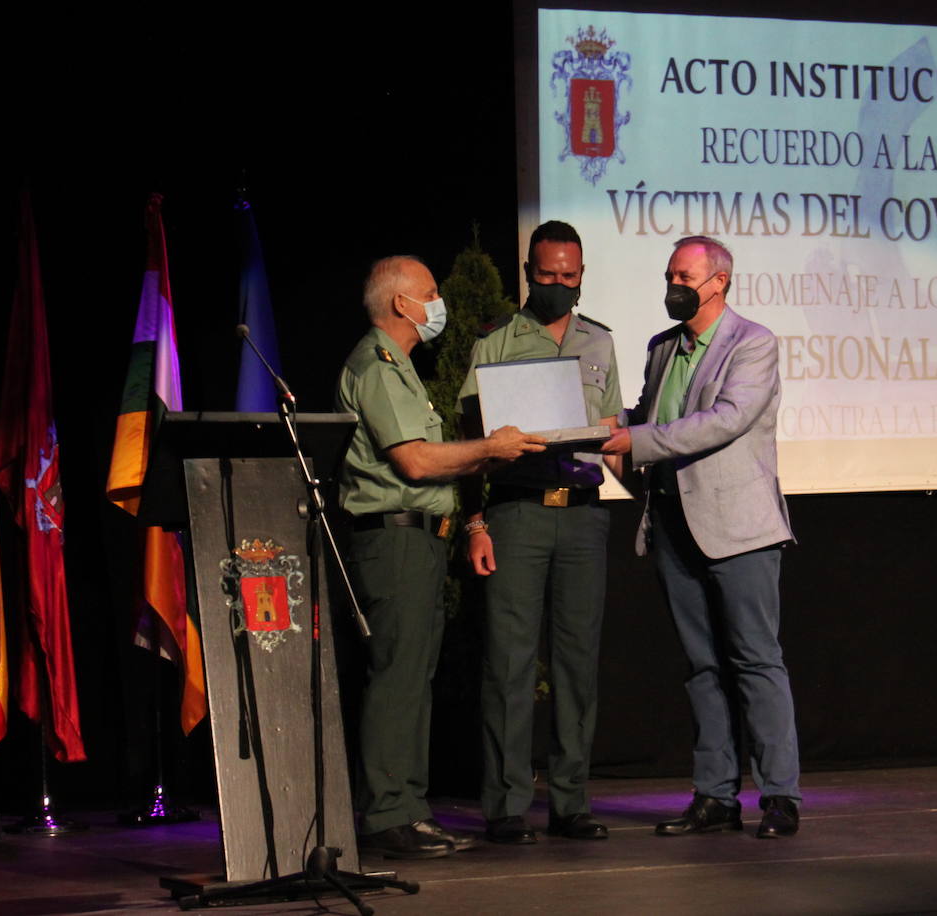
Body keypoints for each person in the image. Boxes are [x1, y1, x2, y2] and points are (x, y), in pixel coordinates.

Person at [338, 255, 546, 860]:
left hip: (419, 538)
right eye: (430, 294)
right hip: (393, 538)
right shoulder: (377, 365)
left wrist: (497, 454)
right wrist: (489, 446)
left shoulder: (400, 366)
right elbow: (416, 462)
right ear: (402, 304)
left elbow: (435, 458)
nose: (437, 304)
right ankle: (385, 814)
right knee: (398, 677)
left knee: (414, 679)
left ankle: (408, 808)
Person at [602, 235, 802, 838]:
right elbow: (649, 415)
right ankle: (715, 794)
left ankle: (779, 797)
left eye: (684, 275)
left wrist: (636, 440)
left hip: (739, 529)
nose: (674, 286)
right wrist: (601, 423)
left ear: (718, 281)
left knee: (755, 660)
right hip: (671, 522)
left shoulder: (754, 343)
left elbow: (726, 420)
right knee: (700, 665)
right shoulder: (662, 346)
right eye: (669, 275)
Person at [457, 221, 623, 844]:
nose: (559, 286)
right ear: (529, 271)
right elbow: (472, 443)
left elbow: (612, 426)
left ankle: (571, 803)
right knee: (510, 664)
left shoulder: (600, 342)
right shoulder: (497, 341)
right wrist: (475, 522)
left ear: (582, 276)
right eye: (548, 275)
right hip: (517, 513)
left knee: (578, 665)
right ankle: (505, 807)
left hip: (581, 514)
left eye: (569, 277)